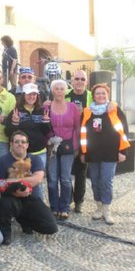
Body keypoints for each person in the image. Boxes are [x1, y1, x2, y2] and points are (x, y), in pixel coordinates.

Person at [0, 131, 58, 245]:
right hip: (11, 199)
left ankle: (24, 220)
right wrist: (16, 189)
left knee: (51, 227)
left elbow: (37, 179)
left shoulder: (35, 159)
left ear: (27, 145)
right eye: (17, 142)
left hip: (31, 199)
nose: (20, 144)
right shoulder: (2, 161)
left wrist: (13, 181)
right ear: (11, 144)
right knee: (4, 203)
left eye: (23, 142)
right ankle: (6, 233)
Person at [80, 83, 130, 225]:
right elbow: (82, 134)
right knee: (95, 181)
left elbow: (124, 131)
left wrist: (123, 151)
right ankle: (99, 207)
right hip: (93, 153)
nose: (101, 96)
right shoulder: (87, 112)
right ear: (93, 96)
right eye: (98, 93)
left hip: (110, 152)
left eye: (103, 93)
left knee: (106, 181)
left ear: (107, 95)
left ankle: (107, 210)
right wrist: (83, 152)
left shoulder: (114, 110)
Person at [5, 83, 51, 201]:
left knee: (37, 181)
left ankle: (38, 204)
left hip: (39, 152)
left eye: (34, 94)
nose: (32, 97)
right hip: (22, 154)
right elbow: (8, 132)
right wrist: (14, 123)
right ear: (24, 95)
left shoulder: (41, 111)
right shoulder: (16, 111)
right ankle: (21, 207)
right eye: (29, 94)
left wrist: (46, 123)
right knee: (21, 180)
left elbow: (46, 132)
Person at [46, 79, 80, 220]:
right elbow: (44, 127)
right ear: (52, 90)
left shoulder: (73, 107)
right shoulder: (46, 107)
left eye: (62, 88)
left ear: (66, 91)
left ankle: (64, 207)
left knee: (65, 179)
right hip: (52, 147)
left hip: (68, 147)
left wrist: (77, 147)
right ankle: (54, 207)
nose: (59, 91)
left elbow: (77, 128)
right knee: (52, 179)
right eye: (56, 88)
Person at [65, 70, 93, 213]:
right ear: (72, 81)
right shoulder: (65, 94)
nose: (80, 81)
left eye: (83, 79)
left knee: (81, 172)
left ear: (86, 82)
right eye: (77, 78)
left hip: (84, 139)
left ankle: (79, 201)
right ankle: (67, 199)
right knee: (67, 172)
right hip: (68, 138)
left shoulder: (91, 96)